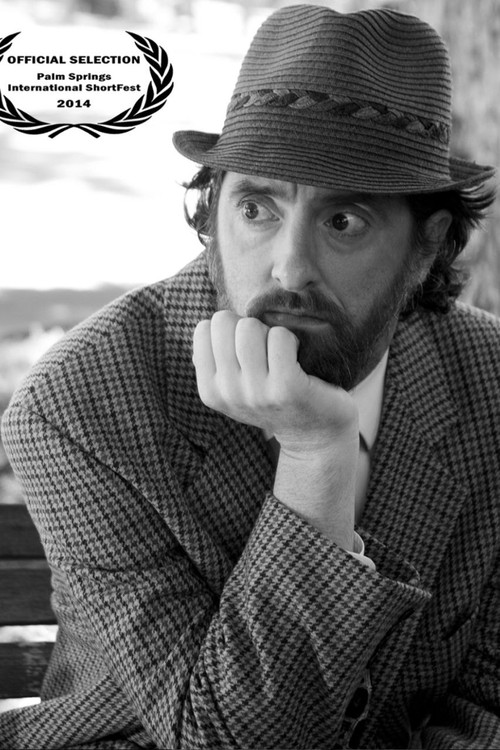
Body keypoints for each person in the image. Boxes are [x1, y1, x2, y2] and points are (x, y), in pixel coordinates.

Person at [1, 5, 499, 749]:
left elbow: (489, 704)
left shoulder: (487, 382)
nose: (289, 269)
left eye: (344, 222)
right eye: (258, 208)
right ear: (211, 213)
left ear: (426, 246)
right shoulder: (84, 401)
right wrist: (315, 456)